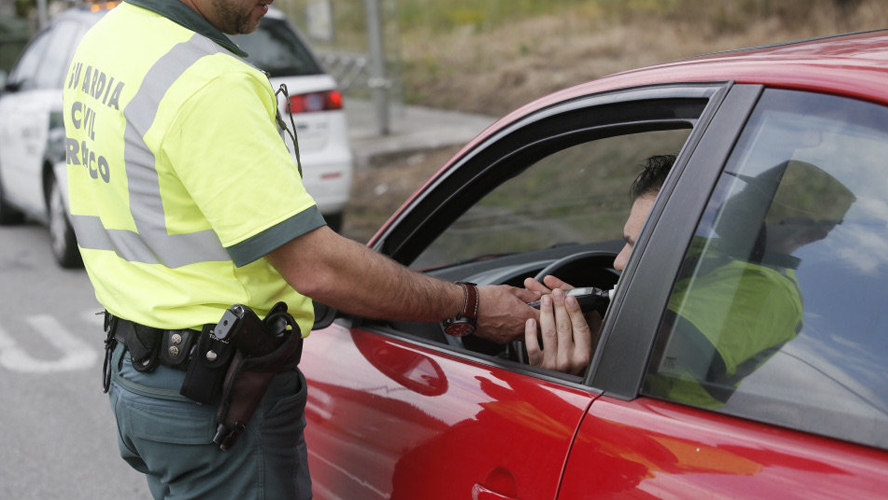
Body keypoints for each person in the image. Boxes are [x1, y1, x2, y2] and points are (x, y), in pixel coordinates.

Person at [62, 0, 538, 498]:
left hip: (141, 378)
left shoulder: (109, 37)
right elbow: (315, 266)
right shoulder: (207, 83)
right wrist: (470, 304)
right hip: (215, 401)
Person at [523, 155, 852, 410]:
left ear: (812, 231)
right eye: (746, 188)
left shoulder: (772, 293)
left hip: (663, 434)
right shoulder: (714, 251)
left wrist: (546, 314)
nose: (619, 262)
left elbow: (652, 347)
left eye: (755, 197)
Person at [523, 154, 675, 375]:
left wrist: (559, 380)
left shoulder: (701, 318)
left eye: (641, 248)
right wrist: (601, 346)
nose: (618, 262)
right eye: (626, 243)